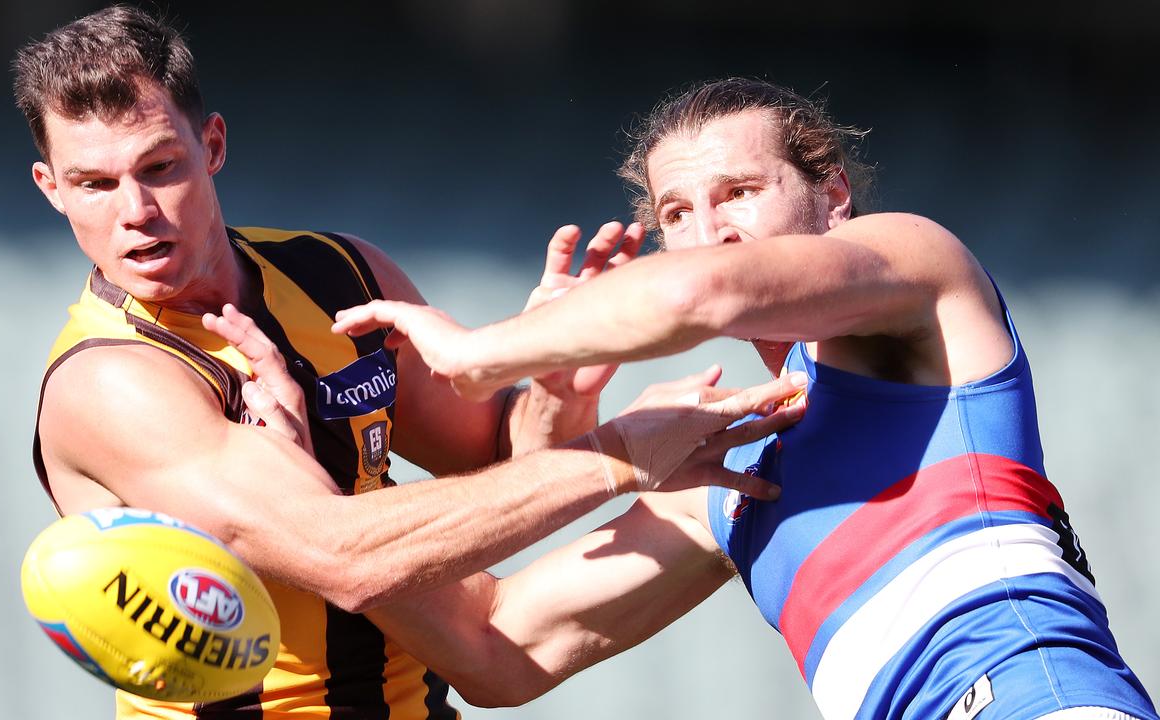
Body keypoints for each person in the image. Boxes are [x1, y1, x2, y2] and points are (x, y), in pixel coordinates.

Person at [13, 7, 806, 719]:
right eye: (94, 184)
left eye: (159, 168)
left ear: (211, 145)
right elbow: (348, 557)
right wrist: (623, 455)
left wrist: (558, 389)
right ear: (50, 188)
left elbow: (498, 463)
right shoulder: (110, 380)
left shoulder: (340, 275)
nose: (135, 212)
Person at [330, 78, 1158, 719]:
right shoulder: (732, 468)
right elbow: (499, 648)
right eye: (677, 213)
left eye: (740, 192)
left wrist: (483, 352)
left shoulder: (918, 269)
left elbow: (703, 295)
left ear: (832, 196)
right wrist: (320, 484)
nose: (710, 230)